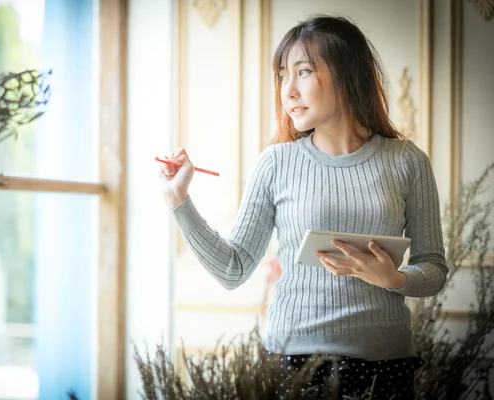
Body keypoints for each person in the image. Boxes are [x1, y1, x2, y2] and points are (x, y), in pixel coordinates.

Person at [157, 15, 447, 399]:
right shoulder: (276, 162)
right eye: (281, 76)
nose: (288, 90)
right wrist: (179, 201)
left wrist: (395, 279)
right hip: (292, 363)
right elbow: (233, 269)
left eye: (303, 71)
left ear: (347, 74)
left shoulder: (408, 161)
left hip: (386, 366)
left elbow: (434, 268)